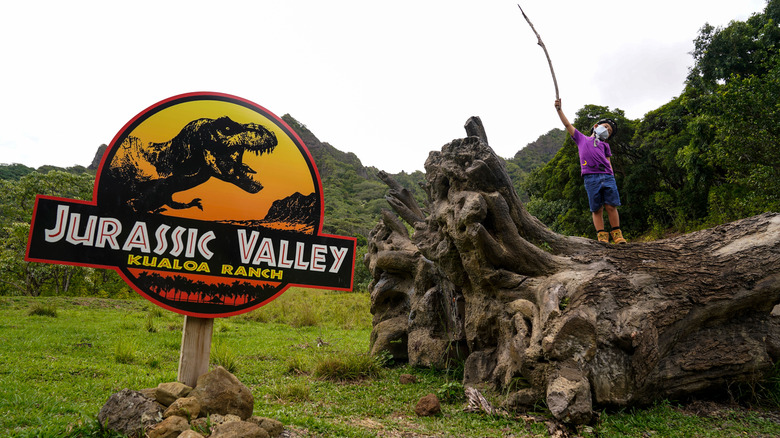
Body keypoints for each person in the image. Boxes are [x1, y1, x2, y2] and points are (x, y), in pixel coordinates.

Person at [554, 98, 627, 244]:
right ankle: (602, 236)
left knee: (611, 206)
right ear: (596, 126)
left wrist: (611, 176)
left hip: (607, 176)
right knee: (597, 209)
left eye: (609, 131)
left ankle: (617, 235)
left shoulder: (605, 146)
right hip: (590, 177)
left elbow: (609, 162)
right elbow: (567, 124)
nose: (606, 130)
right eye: (605, 127)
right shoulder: (581, 139)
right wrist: (559, 110)